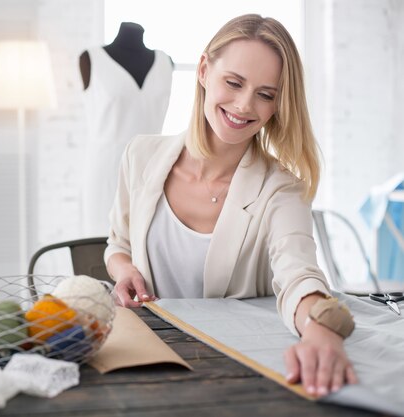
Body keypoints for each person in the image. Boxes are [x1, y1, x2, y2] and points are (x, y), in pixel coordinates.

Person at [104, 14, 357, 398]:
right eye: (234, 83)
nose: (244, 105)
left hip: (232, 373)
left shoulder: (282, 189)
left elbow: (298, 274)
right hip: (145, 361)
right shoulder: (141, 155)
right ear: (204, 70)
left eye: (266, 94)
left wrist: (322, 328)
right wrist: (124, 272)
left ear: (277, 106)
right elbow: (118, 245)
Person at [79, 22, 173, 237]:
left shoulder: (165, 62)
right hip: (105, 173)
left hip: (151, 169)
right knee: (99, 247)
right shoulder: (91, 58)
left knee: (148, 244)